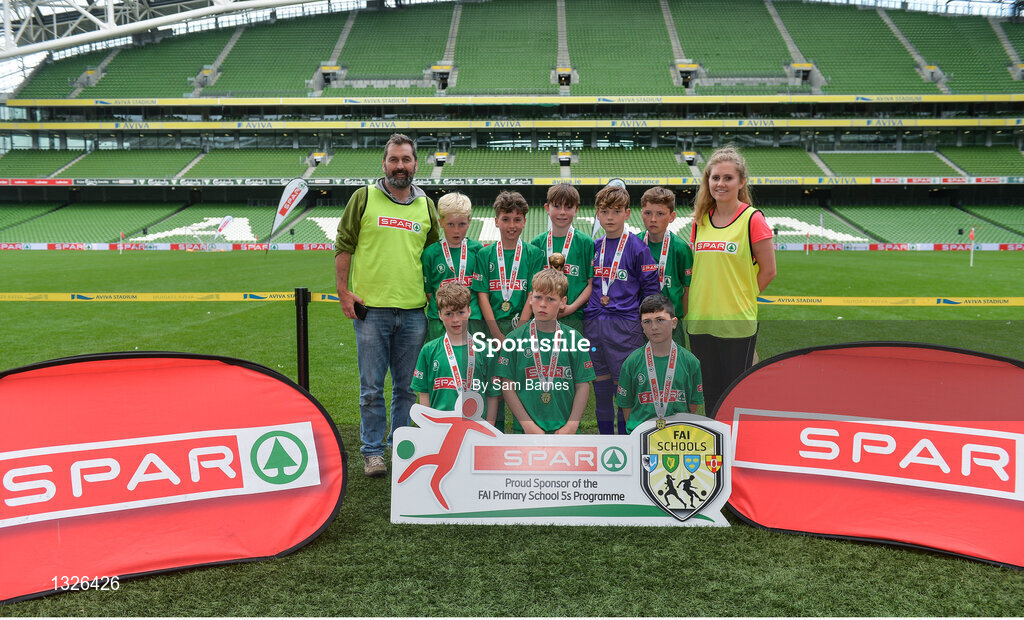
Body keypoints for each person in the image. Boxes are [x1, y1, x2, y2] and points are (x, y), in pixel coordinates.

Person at [334, 133, 440, 478]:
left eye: (406, 160)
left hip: (413, 314)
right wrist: (343, 291)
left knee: (408, 389)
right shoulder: (363, 198)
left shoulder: (426, 206)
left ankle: (402, 448)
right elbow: (344, 246)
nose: (400, 166)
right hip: (372, 312)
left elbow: (435, 253)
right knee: (371, 388)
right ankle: (372, 452)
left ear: (415, 164)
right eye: (394, 160)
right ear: (384, 164)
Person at [687, 146, 776, 419]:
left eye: (727, 178)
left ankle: (740, 446)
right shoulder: (700, 220)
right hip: (701, 320)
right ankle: (718, 450)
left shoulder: (753, 219)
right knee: (711, 393)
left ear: (741, 182)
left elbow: (769, 271)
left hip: (736, 322)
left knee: (737, 391)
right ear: (708, 181)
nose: (720, 184)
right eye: (715, 178)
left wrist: (741, 300)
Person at [583, 183, 661, 435]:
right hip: (594, 327)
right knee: (601, 390)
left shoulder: (638, 247)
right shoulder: (595, 247)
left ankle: (627, 442)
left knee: (624, 392)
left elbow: (651, 291)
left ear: (627, 213)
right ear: (597, 213)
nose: (610, 217)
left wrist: (646, 325)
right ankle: (606, 440)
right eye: (605, 211)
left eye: (616, 211)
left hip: (625, 330)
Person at [471, 190, 545, 431]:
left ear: (524, 220)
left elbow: (533, 294)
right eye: (505, 219)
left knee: (520, 385)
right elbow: (482, 294)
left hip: (522, 331)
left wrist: (517, 334)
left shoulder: (534, 253)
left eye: (517, 219)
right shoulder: (484, 254)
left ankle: (522, 437)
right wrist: (496, 333)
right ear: (496, 221)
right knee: (493, 386)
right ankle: (495, 436)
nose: (511, 225)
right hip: (491, 332)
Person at [495, 258, 595, 434]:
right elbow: (507, 385)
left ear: (563, 302)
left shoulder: (575, 339)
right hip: (526, 432)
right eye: (538, 297)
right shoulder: (514, 339)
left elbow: (583, 385)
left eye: (550, 299)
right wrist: (528, 425)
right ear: (530, 299)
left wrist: (571, 425)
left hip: (566, 432)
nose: (542, 304)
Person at [412, 282, 499, 424]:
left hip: (477, 429)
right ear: (439, 315)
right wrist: (427, 427)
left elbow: (492, 396)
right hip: (439, 429)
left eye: (460, 312)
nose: (455, 319)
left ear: (469, 311)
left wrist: (489, 428)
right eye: (448, 314)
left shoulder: (486, 350)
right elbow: (424, 394)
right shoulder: (428, 350)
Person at [616, 294, 703, 434]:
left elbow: (693, 404)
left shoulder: (691, 362)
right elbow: (626, 405)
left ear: (674, 323)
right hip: (640, 435)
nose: (654, 327)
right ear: (642, 326)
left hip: (677, 436)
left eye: (660, 320)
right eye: (647, 322)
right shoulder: (631, 362)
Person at [529, 183, 594, 336]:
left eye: (568, 207)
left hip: (574, 318)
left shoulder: (586, 243)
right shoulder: (537, 244)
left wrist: (571, 307)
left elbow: (591, 284)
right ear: (547, 208)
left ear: (577, 210)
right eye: (557, 206)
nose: (562, 212)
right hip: (542, 318)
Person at [422, 192, 485, 342]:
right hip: (440, 322)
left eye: (462, 224)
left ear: (469, 222)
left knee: (473, 363)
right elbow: (429, 292)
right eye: (451, 224)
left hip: (473, 320)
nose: (456, 231)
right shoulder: (430, 253)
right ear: (441, 222)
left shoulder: (478, 250)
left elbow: (481, 290)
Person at [639, 187, 693, 347]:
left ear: (672, 216)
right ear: (641, 213)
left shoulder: (680, 248)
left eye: (660, 214)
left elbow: (687, 291)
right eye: (648, 213)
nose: (653, 219)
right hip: (640, 323)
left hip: (671, 325)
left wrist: (674, 317)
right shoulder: (635, 244)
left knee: (674, 366)